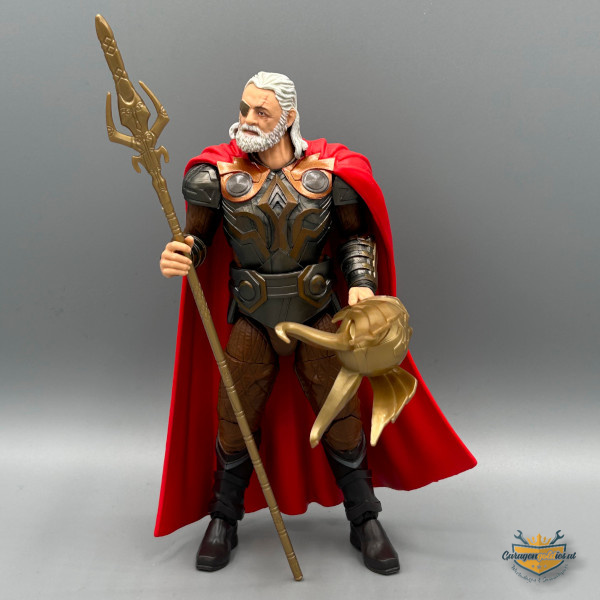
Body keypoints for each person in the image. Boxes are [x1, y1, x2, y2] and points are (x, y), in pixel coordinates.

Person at [156, 72, 476, 576]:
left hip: (317, 313)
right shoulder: (215, 176)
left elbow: (354, 238)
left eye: (260, 112)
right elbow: (199, 240)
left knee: (342, 415)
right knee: (235, 415)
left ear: (287, 117)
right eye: (244, 108)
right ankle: (224, 516)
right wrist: (181, 254)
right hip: (253, 316)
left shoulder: (332, 174)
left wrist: (362, 283)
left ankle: (364, 518)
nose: (247, 120)